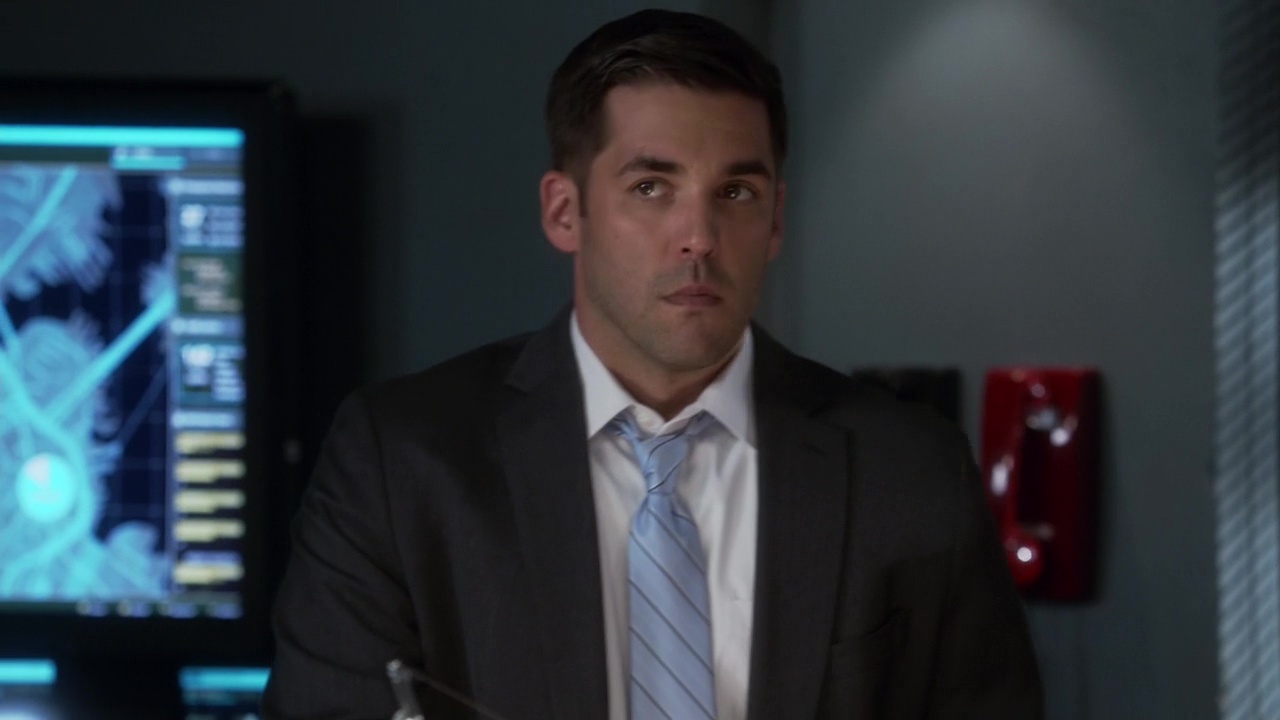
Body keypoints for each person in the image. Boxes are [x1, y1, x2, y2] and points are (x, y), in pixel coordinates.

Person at [263, 9, 1042, 720]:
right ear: (564, 212)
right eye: (650, 187)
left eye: (735, 191)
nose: (698, 235)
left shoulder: (909, 473)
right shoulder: (400, 466)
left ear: (775, 220)